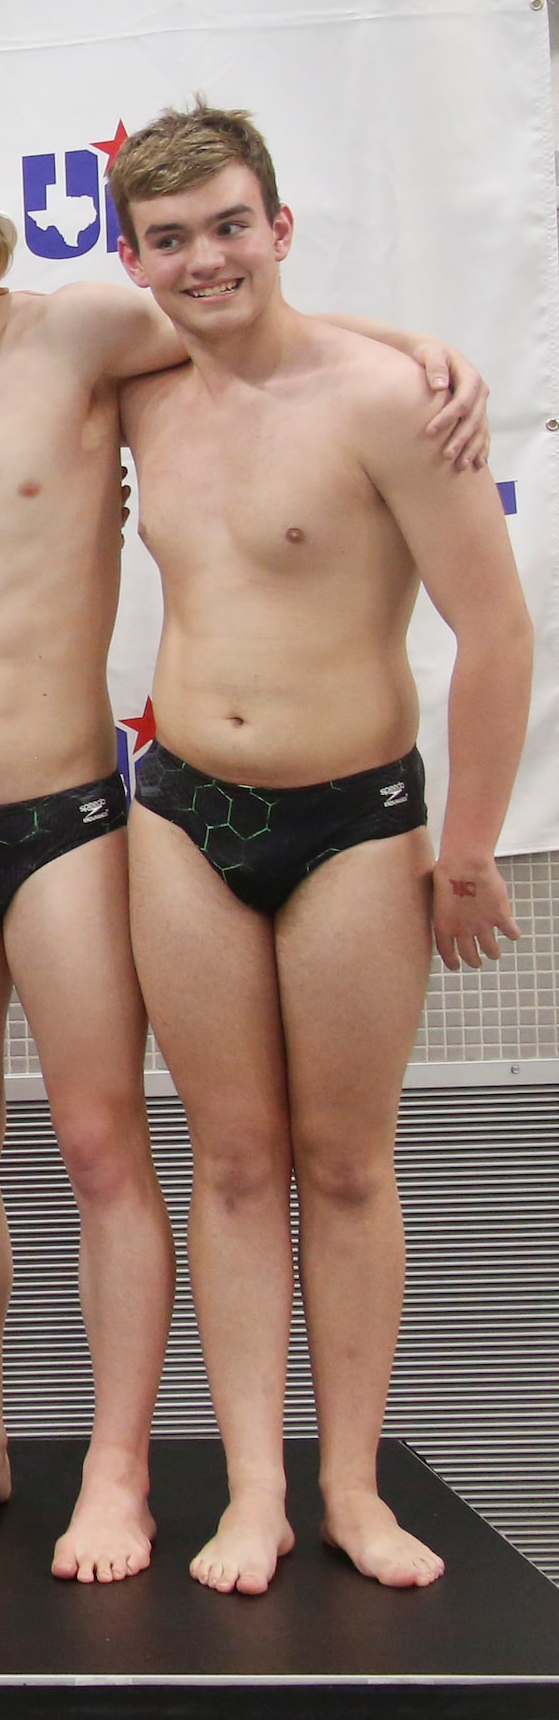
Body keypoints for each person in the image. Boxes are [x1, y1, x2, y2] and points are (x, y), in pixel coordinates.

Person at [0, 117, 491, 1581]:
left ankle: (129, 1472)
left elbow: (242, 316)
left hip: (78, 814)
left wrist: (422, 342)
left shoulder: (81, 337)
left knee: (118, 1142)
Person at [109, 102, 527, 1595]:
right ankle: (254, 1487)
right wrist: (416, 330)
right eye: (171, 238)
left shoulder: (394, 403)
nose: (206, 257)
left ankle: (352, 1482)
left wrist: (468, 843)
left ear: (280, 225)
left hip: (354, 821)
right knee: (228, 1160)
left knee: (345, 1164)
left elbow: (498, 631)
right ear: (135, 256)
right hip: (180, 808)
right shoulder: (146, 384)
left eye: (232, 224)